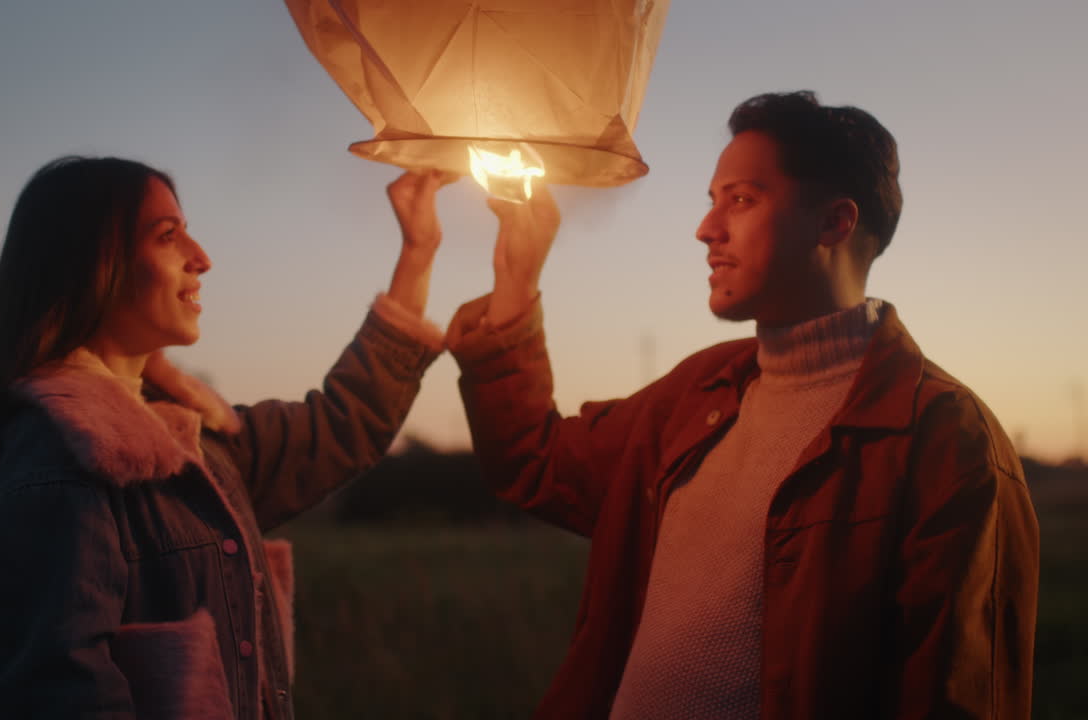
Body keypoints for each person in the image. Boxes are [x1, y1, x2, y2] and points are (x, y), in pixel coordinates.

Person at [443, 91, 1039, 719]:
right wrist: (517, 271)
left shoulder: (944, 439)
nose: (706, 229)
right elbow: (537, 464)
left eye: (742, 200)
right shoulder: (699, 390)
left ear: (834, 223)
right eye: (713, 200)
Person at [0, 156, 452, 719]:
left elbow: (339, 426)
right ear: (93, 264)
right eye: (168, 235)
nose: (202, 258)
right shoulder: (60, 469)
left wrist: (418, 251)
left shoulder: (193, 441)